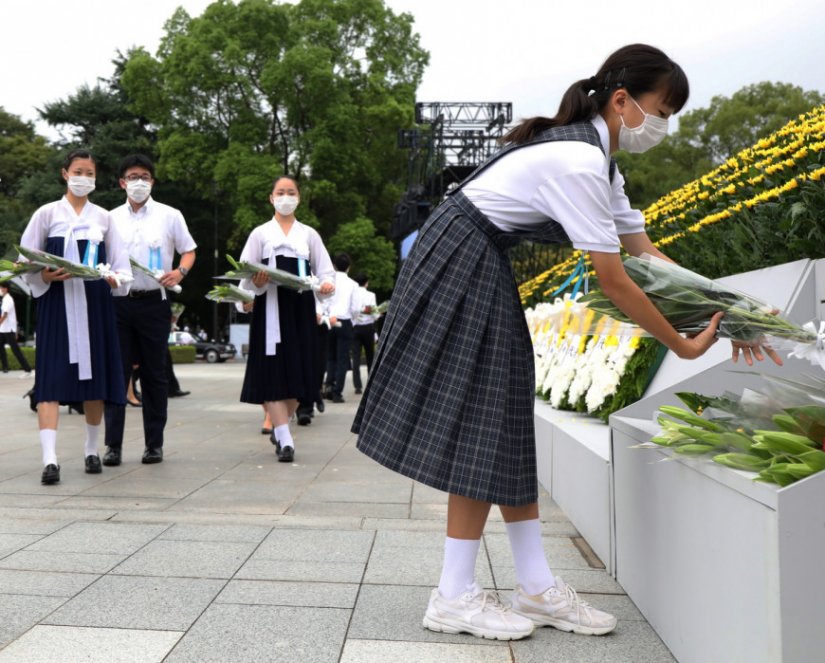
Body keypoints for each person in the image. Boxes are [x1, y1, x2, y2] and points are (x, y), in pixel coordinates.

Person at [352, 44, 782, 642]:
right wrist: (682, 345)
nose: (664, 125)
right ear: (623, 101)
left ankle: (533, 585)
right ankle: (453, 595)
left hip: (473, 257)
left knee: (503, 415)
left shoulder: (601, 166)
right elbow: (615, 278)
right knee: (483, 416)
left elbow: (646, 255)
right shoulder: (579, 163)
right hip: (462, 259)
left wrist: (729, 312)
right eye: (663, 109)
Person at [20, 149, 131, 485]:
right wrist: (44, 277)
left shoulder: (104, 218)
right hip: (56, 304)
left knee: (93, 383)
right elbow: (26, 260)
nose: (85, 178)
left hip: (94, 304)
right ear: (65, 173)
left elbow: (122, 265)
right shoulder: (46, 214)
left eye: (91, 173)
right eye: (79, 171)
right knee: (50, 380)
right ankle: (50, 460)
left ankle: (92, 449)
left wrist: (115, 279)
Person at [103, 154, 196, 466]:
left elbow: (189, 250)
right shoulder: (109, 217)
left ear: (152, 181)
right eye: (132, 176)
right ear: (121, 182)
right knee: (118, 374)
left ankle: (153, 444)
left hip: (154, 303)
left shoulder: (170, 215)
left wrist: (179, 273)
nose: (138, 182)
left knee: (155, 375)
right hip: (118, 302)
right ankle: (112, 446)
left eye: (144, 176)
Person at [239, 176, 335, 462]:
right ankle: (286, 438)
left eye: (290, 192)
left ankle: (280, 429)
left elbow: (326, 271)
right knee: (272, 372)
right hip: (270, 308)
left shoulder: (309, 234)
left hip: (301, 308)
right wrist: (255, 283)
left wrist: (326, 286)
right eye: (280, 192)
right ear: (271, 198)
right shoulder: (260, 234)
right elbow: (244, 275)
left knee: (302, 373)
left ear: (299, 198)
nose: (285, 197)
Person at [324, 253, 359, 403]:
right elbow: (356, 308)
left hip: (328, 320)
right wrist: (353, 320)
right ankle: (337, 393)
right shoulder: (353, 284)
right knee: (342, 359)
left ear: (333, 265)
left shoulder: (327, 281)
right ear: (349, 267)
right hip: (344, 322)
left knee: (330, 356)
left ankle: (328, 386)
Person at [350, 273, 377, 395]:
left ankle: (357, 386)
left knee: (356, 357)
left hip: (355, 327)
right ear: (366, 283)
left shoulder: (352, 295)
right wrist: (377, 314)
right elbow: (374, 312)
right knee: (370, 355)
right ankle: (371, 383)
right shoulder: (371, 295)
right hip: (368, 328)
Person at [0, 283, 33, 376]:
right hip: (3, 329)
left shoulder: (8, 300)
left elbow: (5, 315)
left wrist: (15, 331)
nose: (0, 290)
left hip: (8, 330)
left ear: (5, 289)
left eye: (1, 288)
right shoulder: (4, 299)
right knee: (0, 347)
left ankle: (28, 370)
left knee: (16, 350)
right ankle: (5, 367)